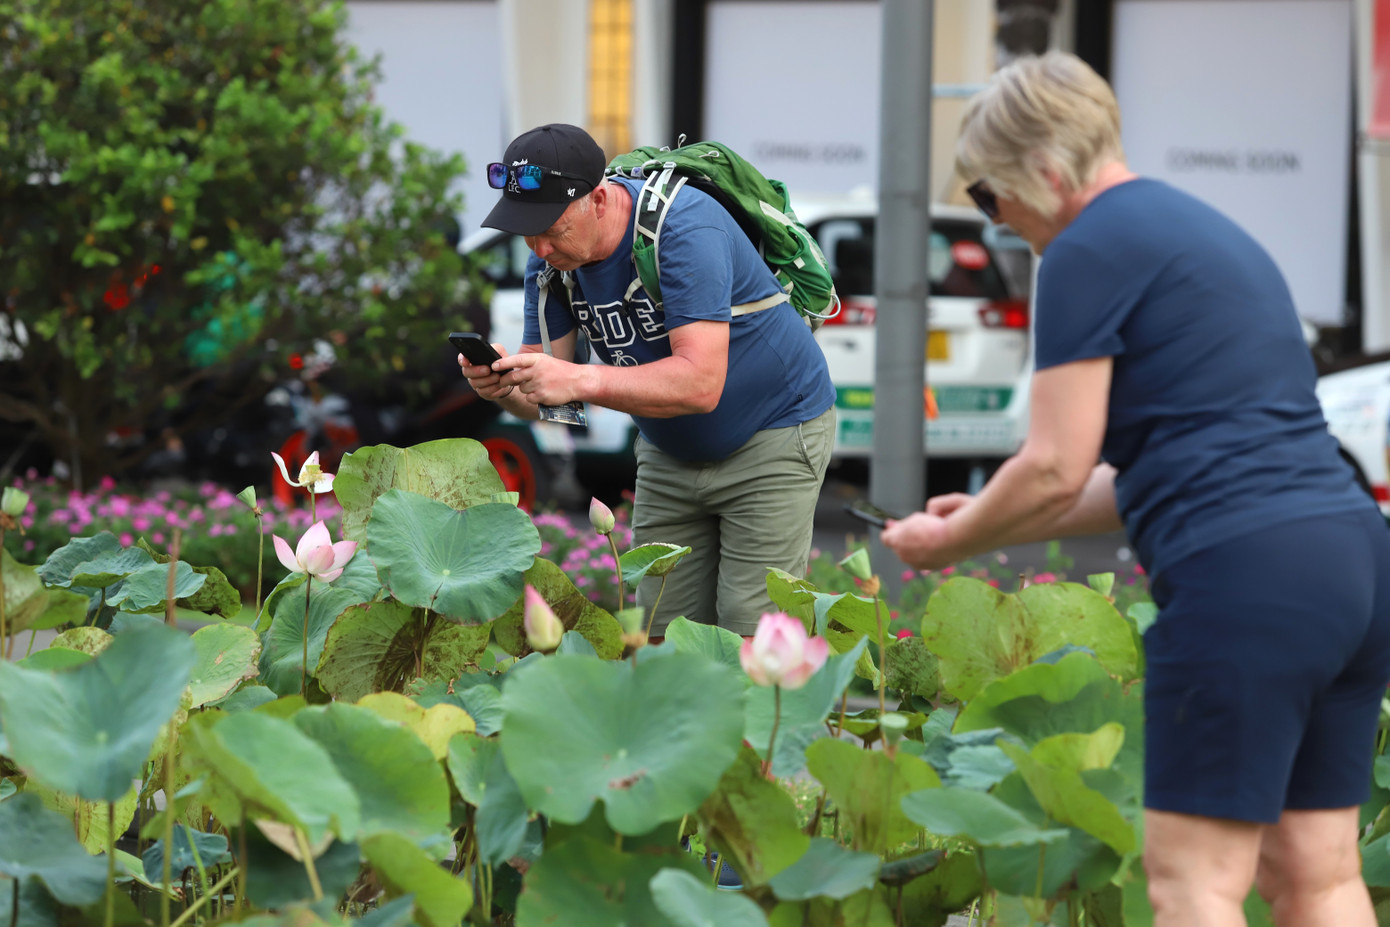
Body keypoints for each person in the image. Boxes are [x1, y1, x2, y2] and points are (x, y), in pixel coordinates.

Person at [880, 52, 1390, 927]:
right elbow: (1151, 467)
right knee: (1319, 874)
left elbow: (1051, 466)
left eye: (992, 197)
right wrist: (987, 514)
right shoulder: (1210, 232)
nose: (1000, 223)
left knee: (1193, 883)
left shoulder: (1085, 250)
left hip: (1245, 580)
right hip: (1350, 563)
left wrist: (948, 543)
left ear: (1043, 168)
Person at [462, 123, 836, 638]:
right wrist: (505, 388)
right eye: (526, 231)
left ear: (597, 198)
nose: (540, 247)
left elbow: (700, 384)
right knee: (661, 633)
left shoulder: (684, 228)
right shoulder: (551, 262)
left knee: (753, 636)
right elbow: (554, 402)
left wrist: (580, 378)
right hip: (668, 448)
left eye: (551, 228)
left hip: (772, 432)